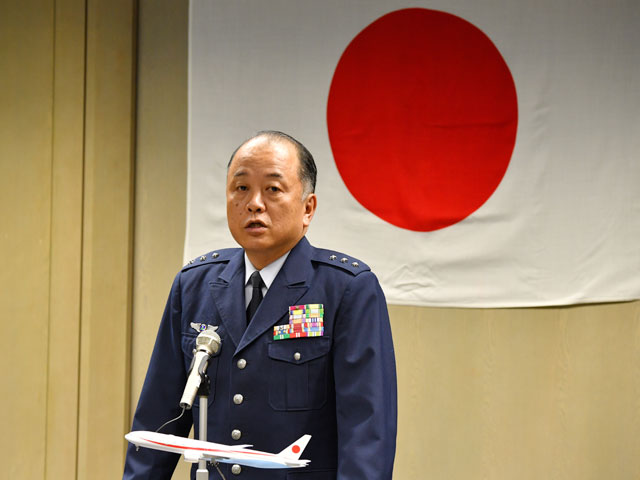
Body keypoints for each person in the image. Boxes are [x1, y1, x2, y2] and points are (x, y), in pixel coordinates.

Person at [123, 131, 397, 479]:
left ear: (308, 208)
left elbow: (367, 435)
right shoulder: (194, 285)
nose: (254, 203)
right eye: (241, 188)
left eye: (273, 189)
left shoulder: (346, 289)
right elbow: (158, 418)